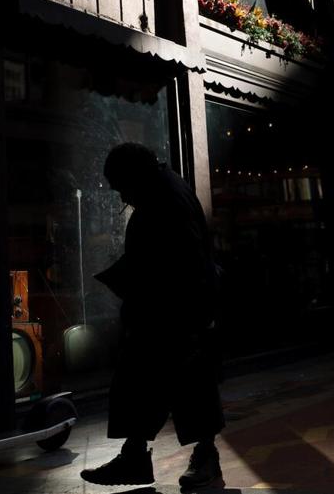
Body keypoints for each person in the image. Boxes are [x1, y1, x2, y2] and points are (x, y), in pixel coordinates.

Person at [80, 143, 225, 489]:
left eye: (121, 188)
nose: (121, 198)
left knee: (166, 386)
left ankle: (164, 459)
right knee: (165, 386)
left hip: (172, 315)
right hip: (173, 313)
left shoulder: (165, 200)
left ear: (133, 176)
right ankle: (145, 457)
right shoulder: (166, 189)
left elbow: (180, 263)